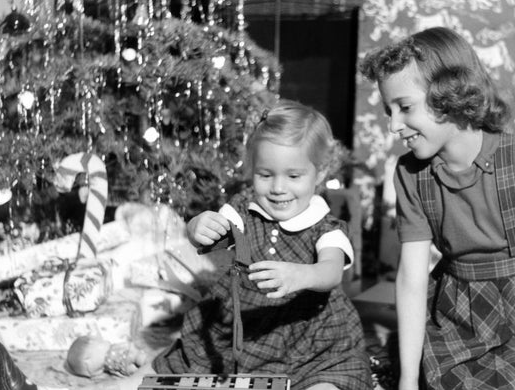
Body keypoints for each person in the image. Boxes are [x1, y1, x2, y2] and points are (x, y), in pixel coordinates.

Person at [358, 26, 515, 390]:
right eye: (389, 111)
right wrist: (406, 381)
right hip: (457, 312)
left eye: (404, 108)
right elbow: (412, 278)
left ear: (448, 93)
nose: (393, 126)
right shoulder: (410, 173)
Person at [148, 99, 371, 390]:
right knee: (195, 368)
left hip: (311, 337)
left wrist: (300, 275)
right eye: (265, 175)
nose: (278, 188)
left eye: (293, 176)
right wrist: (197, 226)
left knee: (329, 383)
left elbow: (332, 271)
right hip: (244, 324)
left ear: (320, 172)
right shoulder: (244, 208)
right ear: (253, 169)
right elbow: (215, 234)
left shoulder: (324, 225)